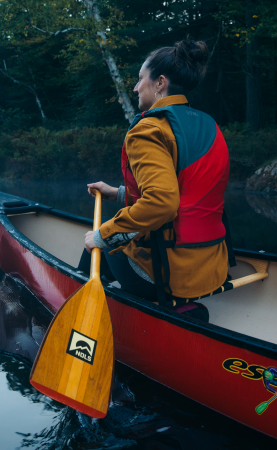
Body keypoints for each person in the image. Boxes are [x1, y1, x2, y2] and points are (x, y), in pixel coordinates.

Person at [79, 38, 232, 311]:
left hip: (170, 273)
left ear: (160, 83)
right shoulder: (209, 125)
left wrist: (102, 236)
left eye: (140, 79)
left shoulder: (149, 129)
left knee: (98, 239)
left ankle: (80, 300)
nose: (136, 87)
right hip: (213, 267)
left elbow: (162, 203)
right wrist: (118, 193)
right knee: (112, 229)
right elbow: (188, 190)